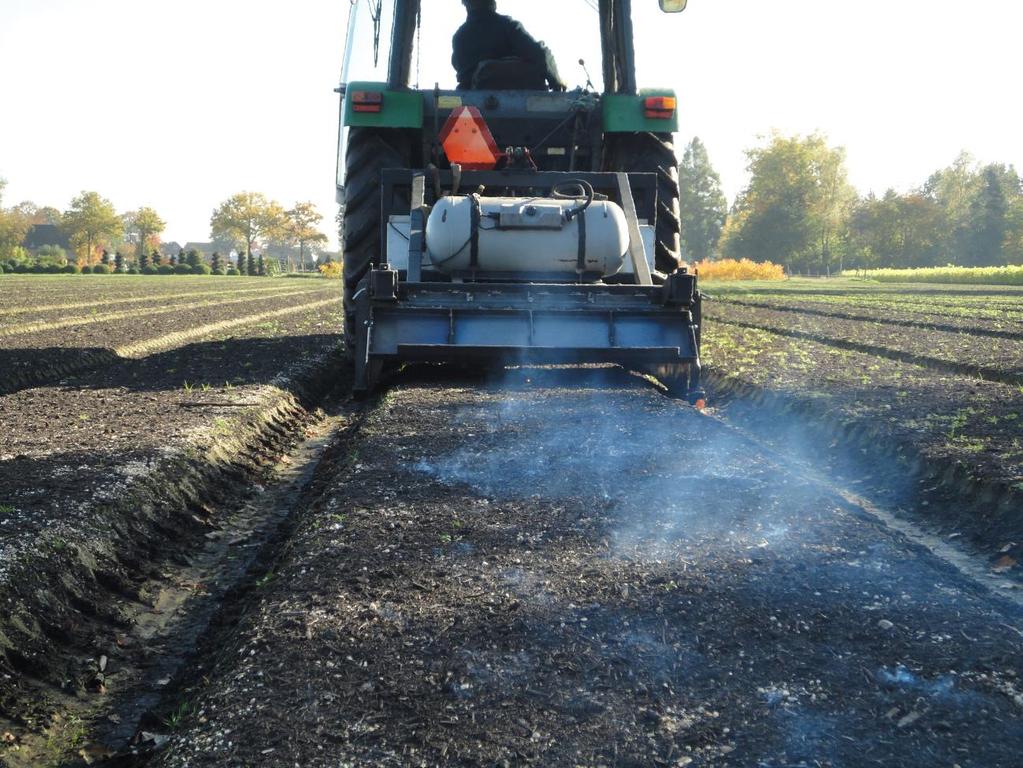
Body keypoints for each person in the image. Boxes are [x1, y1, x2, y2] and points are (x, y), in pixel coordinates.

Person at [452, 0, 566, 91]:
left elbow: (462, 74)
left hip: (473, 106)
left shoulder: (459, 37)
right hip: (520, 107)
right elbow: (539, 54)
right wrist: (556, 81)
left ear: (465, 3)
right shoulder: (506, 26)